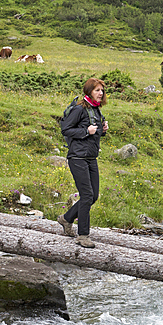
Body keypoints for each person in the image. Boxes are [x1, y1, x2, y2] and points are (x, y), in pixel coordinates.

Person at [57, 78, 109, 248]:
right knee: (87, 195)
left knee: (93, 196)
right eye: (97, 90)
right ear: (89, 92)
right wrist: (86, 131)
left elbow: (94, 132)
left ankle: (66, 219)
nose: (100, 93)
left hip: (91, 158)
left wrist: (102, 130)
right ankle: (83, 236)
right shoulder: (79, 109)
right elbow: (66, 129)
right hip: (77, 158)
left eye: (102, 90)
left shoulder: (96, 110)